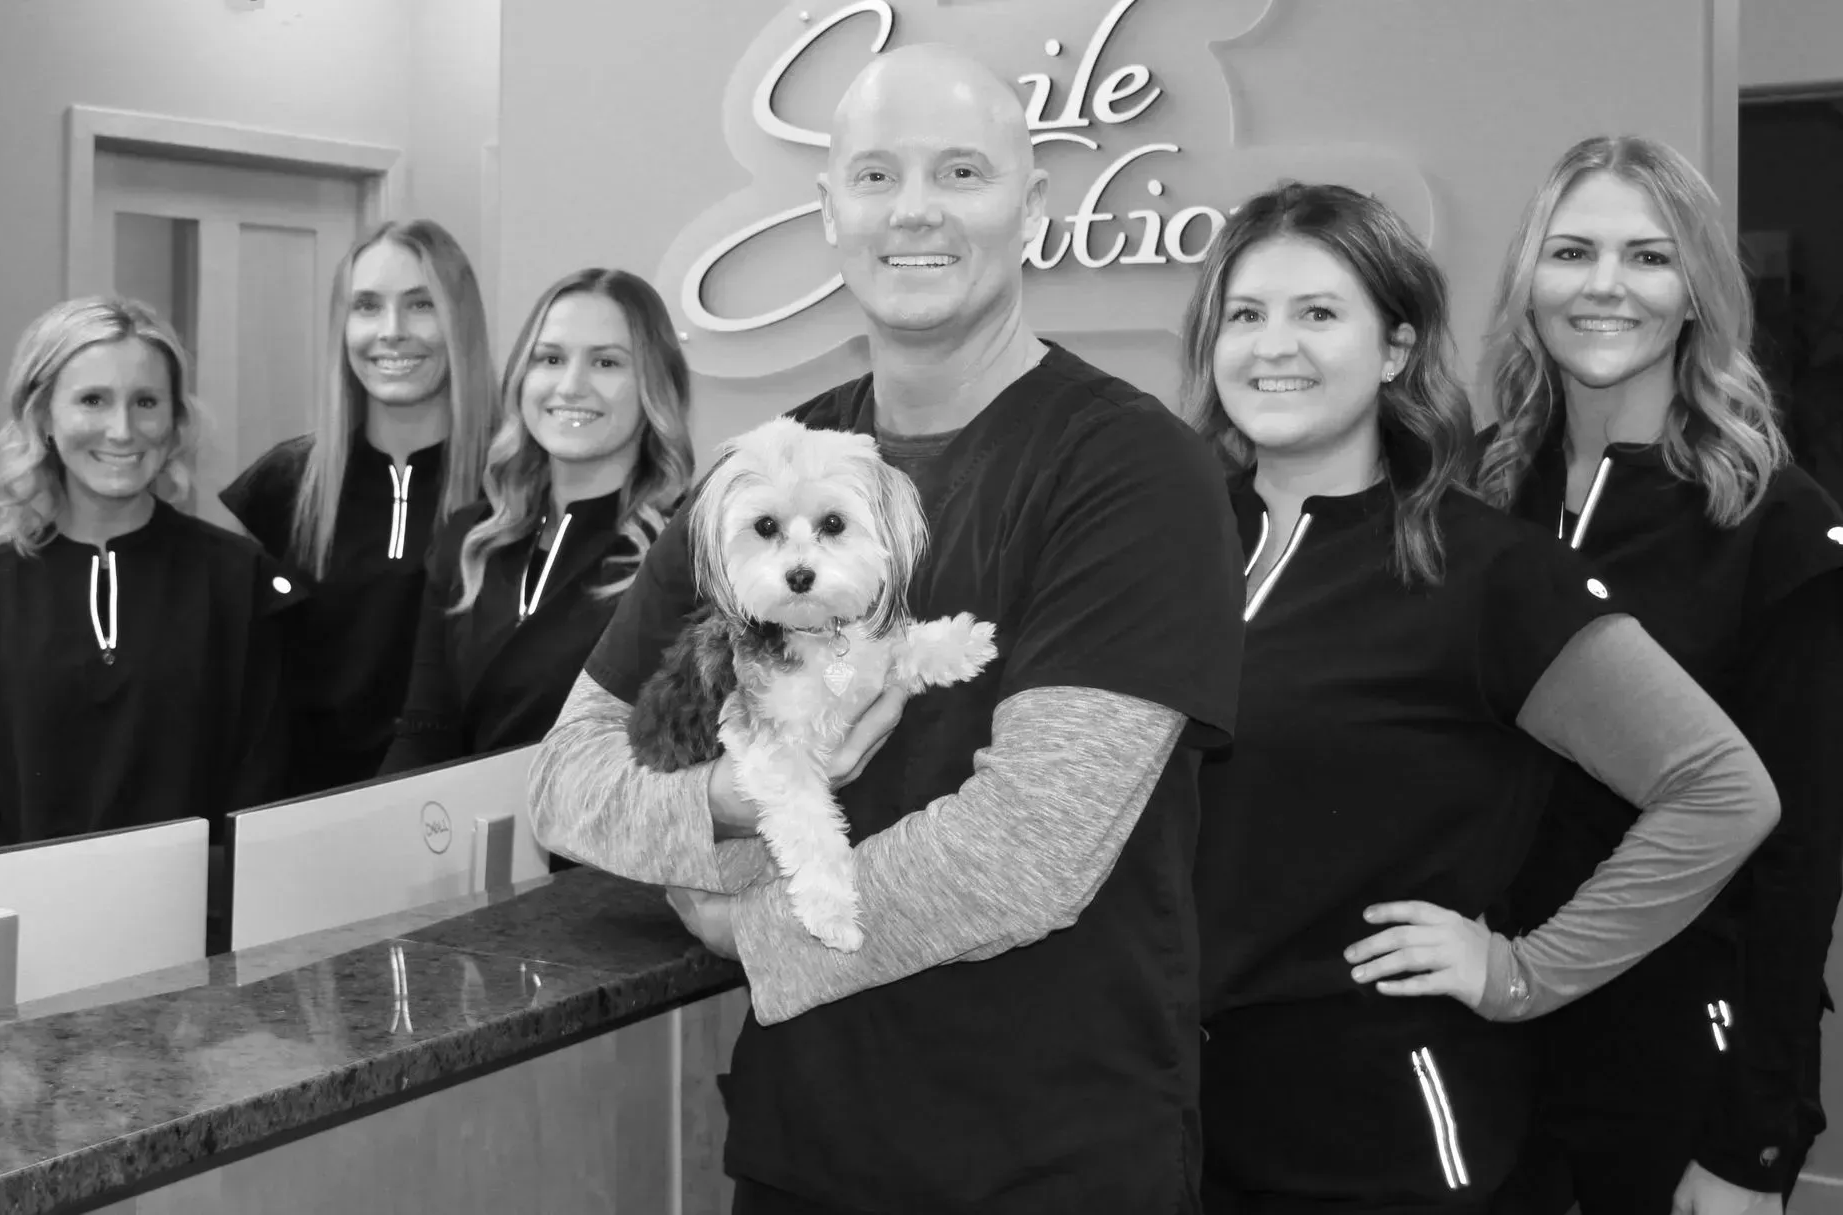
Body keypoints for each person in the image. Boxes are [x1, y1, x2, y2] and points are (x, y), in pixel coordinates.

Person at [527, 44, 1245, 1214]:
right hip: (804, 1147)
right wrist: (726, 805)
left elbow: (1029, 856)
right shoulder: (765, 480)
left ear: (1033, 204)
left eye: (961, 171)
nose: (915, 210)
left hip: (1050, 1159)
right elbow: (564, 780)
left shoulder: (1132, 470)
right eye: (875, 176)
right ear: (829, 213)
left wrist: (747, 928)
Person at [1177, 181, 1780, 1210]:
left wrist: (1523, 972)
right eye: (1245, 315)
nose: (1273, 346)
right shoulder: (1161, 547)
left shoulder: (1486, 572)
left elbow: (1723, 791)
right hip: (1164, 1112)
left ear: (1397, 348)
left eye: (1319, 314)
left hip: (1379, 1135)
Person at [1476, 135, 1843, 1215]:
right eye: (1572, 250)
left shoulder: (1777, 527)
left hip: (1679, 1061)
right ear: (1527, 282)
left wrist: (1756, 1143)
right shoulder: (1467, 497)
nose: (1604, 286)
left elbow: (1801, 866)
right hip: (1480, 1046)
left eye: (1647, 256)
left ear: (1696, 293)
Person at [0, 297, 300, 853]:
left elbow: (266, 784)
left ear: (175, 422)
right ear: (43, 415)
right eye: (93, 400)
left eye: (146, 401)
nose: (122, 430)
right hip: (36, 923)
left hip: (207, 925)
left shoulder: (241, 582)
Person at [378, 269, 694, 776]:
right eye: (550, 359)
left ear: (656, 387)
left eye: (607, 362)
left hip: (601, 848)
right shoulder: (469, 539)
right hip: (472, 839)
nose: (571, 386)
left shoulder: (684, 551)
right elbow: (425, 732)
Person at [221, 219, 495, 795]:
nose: (391, 332)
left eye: (421, 305)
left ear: (460, 321)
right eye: (366, 306)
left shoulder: (515, 487)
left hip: (462, 813)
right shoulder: (280, 486)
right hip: (301, 816)